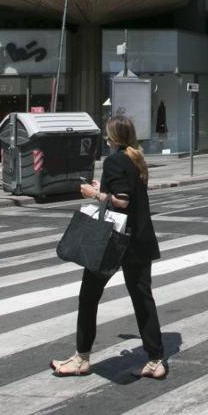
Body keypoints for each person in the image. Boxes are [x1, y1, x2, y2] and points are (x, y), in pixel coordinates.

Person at [52, 115, 167, 379]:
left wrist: (95, 194)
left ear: (113, 137)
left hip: (114, 242)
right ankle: (155, 359)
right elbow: (126, 191)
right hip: (139, 240)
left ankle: (81, 358)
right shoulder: (136, 159)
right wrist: (102, 186)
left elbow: (122, 200)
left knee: (88, 296)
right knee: (142, 299)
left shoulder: (115, 160)